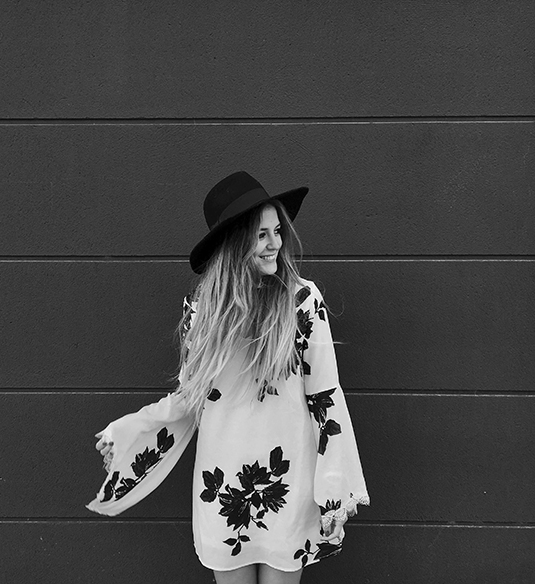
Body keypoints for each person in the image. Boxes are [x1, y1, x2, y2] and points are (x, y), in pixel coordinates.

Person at [87, 171, 369, 584]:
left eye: (277, 232)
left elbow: (325, 396)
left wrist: (333, 485)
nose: (275, 244)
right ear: (235, 242)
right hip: (222, 488)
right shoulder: (203, 310)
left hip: (287, 483)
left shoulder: (302, 301)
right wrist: (130, 432)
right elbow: (189, 398)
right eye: (261, 235)